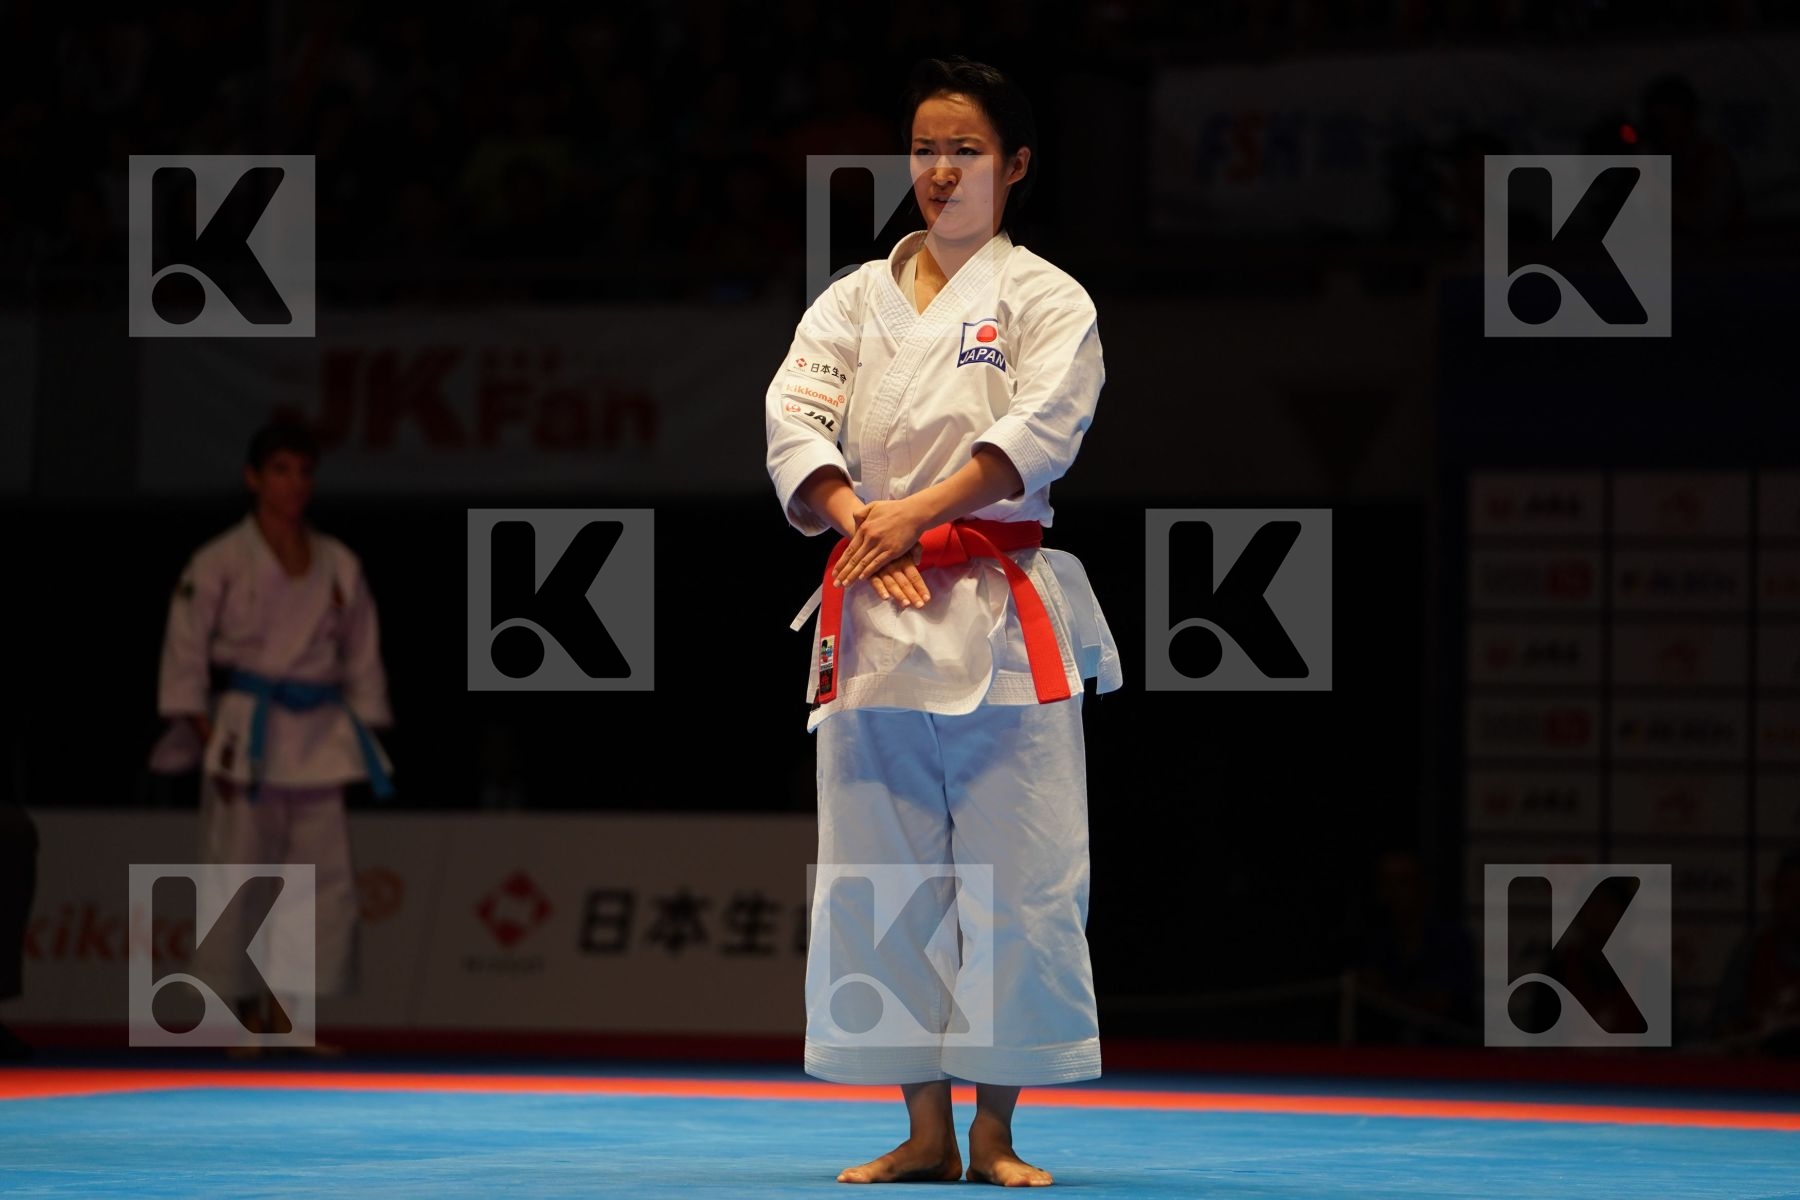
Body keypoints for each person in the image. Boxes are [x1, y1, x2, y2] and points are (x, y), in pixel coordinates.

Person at [765, 56, 1121, 1187]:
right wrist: (859, 522)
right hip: (876, 608)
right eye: (924, 146)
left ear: (1013, 166)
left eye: (964, 148)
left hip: (1001, 616)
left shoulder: (1048, 298)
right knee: (883, 875)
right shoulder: (851, 299)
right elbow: (792, 419)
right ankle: (924, 1129)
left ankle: (997, 1133)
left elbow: (1045, 428)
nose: (939, 168)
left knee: (1020, 872)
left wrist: (912, 517)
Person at [149, 420, 393, 1056]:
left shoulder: (341, 563)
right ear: (253, 477)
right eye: (281, 469)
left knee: (318, 880)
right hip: (246, 733)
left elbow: (362, 658)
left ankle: (286, 1019)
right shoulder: (220, 559)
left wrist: (362, 726)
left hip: (316, 737)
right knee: (238, 874)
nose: (295, 484)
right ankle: (235, 1021)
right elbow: (186, 654)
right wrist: (206, 730)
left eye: (305, 471)